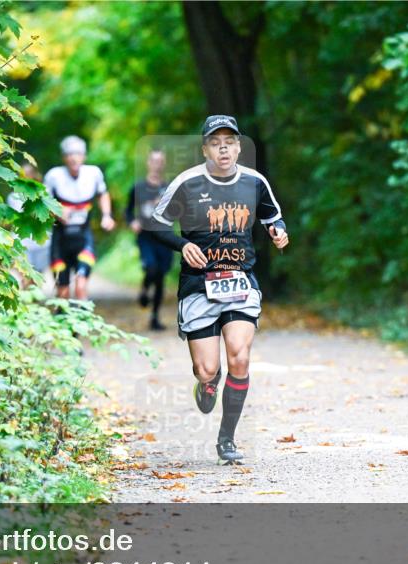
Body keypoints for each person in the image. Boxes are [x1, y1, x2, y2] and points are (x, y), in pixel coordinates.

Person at [145, 115, 289, 464]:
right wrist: (183, 245)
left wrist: (279, 232)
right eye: (215, 142)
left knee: (239, 354)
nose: (223, 148)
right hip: (199, 285)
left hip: (241, 281)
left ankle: (227, 439)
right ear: (205, 148)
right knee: (207, 369)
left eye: (229, 141)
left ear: (239, 147)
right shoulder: (188, 182)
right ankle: (209, 381)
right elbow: (156, 224)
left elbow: (273, 218)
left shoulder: (255, 182)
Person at [43, 136, 115, 300]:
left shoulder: (93, 173)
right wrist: (57, 212)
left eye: (78, 154)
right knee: (63, 291)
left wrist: (106, 216)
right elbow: (44, 205)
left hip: (83, 239)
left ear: (84, 156)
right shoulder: (54, 176)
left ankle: (83, 321)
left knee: (81, 285)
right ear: (64, 157)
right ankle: (61, 322)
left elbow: (103, 194)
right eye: (69, 154)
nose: (74, 158)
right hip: (60, 241)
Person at [125, 149, 173, 331]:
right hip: (145, 236)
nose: (157, 164)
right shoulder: (138, 188)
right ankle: (145, 290)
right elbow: (128, 211)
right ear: (148, 163)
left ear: (163, 164)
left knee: (161, 276)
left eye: (160, 161)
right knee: (151, 268)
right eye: (154, 160)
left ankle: (155, 317)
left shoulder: (169, 188)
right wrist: (132, 222)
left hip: (164, 235)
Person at [7, 162, 48, 289]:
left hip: (40, 243)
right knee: (25, 275)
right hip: (22, 242)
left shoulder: (43, 195)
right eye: (22, 175)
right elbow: (14, 218)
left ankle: (33, 303)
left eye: (28, 175)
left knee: (36, 278)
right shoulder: (13, 197)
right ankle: (27, 303)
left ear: (33, 176)